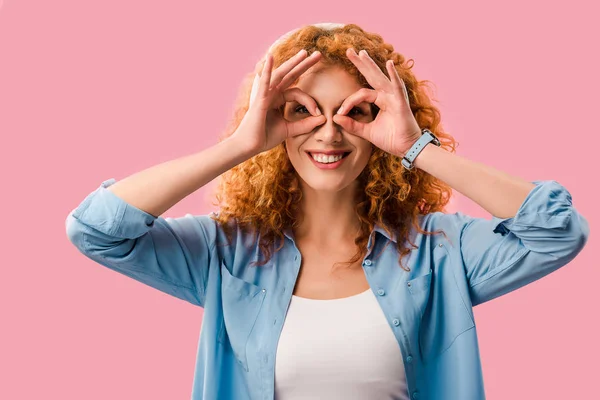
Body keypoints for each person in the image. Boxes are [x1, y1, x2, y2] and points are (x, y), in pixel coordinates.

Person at [65, 22, 590, 400]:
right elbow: (96, 229)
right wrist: (240, 145)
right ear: (274, 118)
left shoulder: (441, 251)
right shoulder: (223, 253)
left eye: (355, 112)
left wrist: (414, 145)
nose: (329, 132)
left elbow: (557, 231)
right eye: (303, 111)